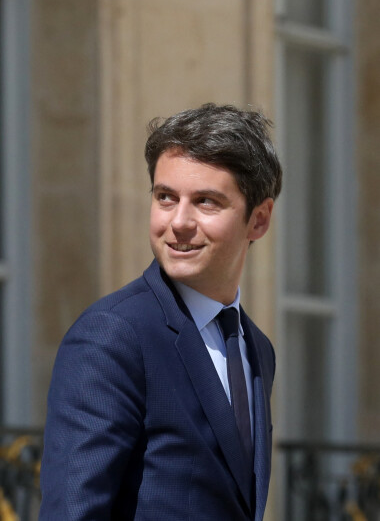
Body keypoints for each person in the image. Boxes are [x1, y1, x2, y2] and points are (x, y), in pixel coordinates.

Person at [39, 102, 283, 521]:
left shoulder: (258, 349)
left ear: (258, 220)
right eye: (165, 197)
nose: (179, 222)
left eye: (205, 202)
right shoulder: (112, 336)